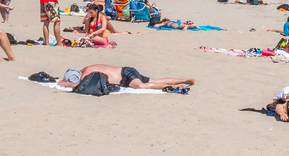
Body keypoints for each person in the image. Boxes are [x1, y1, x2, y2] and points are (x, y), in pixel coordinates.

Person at [58, 64, 197, 90]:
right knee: (155, 80)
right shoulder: (87, 68)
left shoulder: (87, 75)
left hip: (126, 76)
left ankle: (174, 87)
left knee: (140, 86)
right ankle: (186, 79)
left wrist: (65, 84)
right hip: (127, 71)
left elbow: (80, 86)